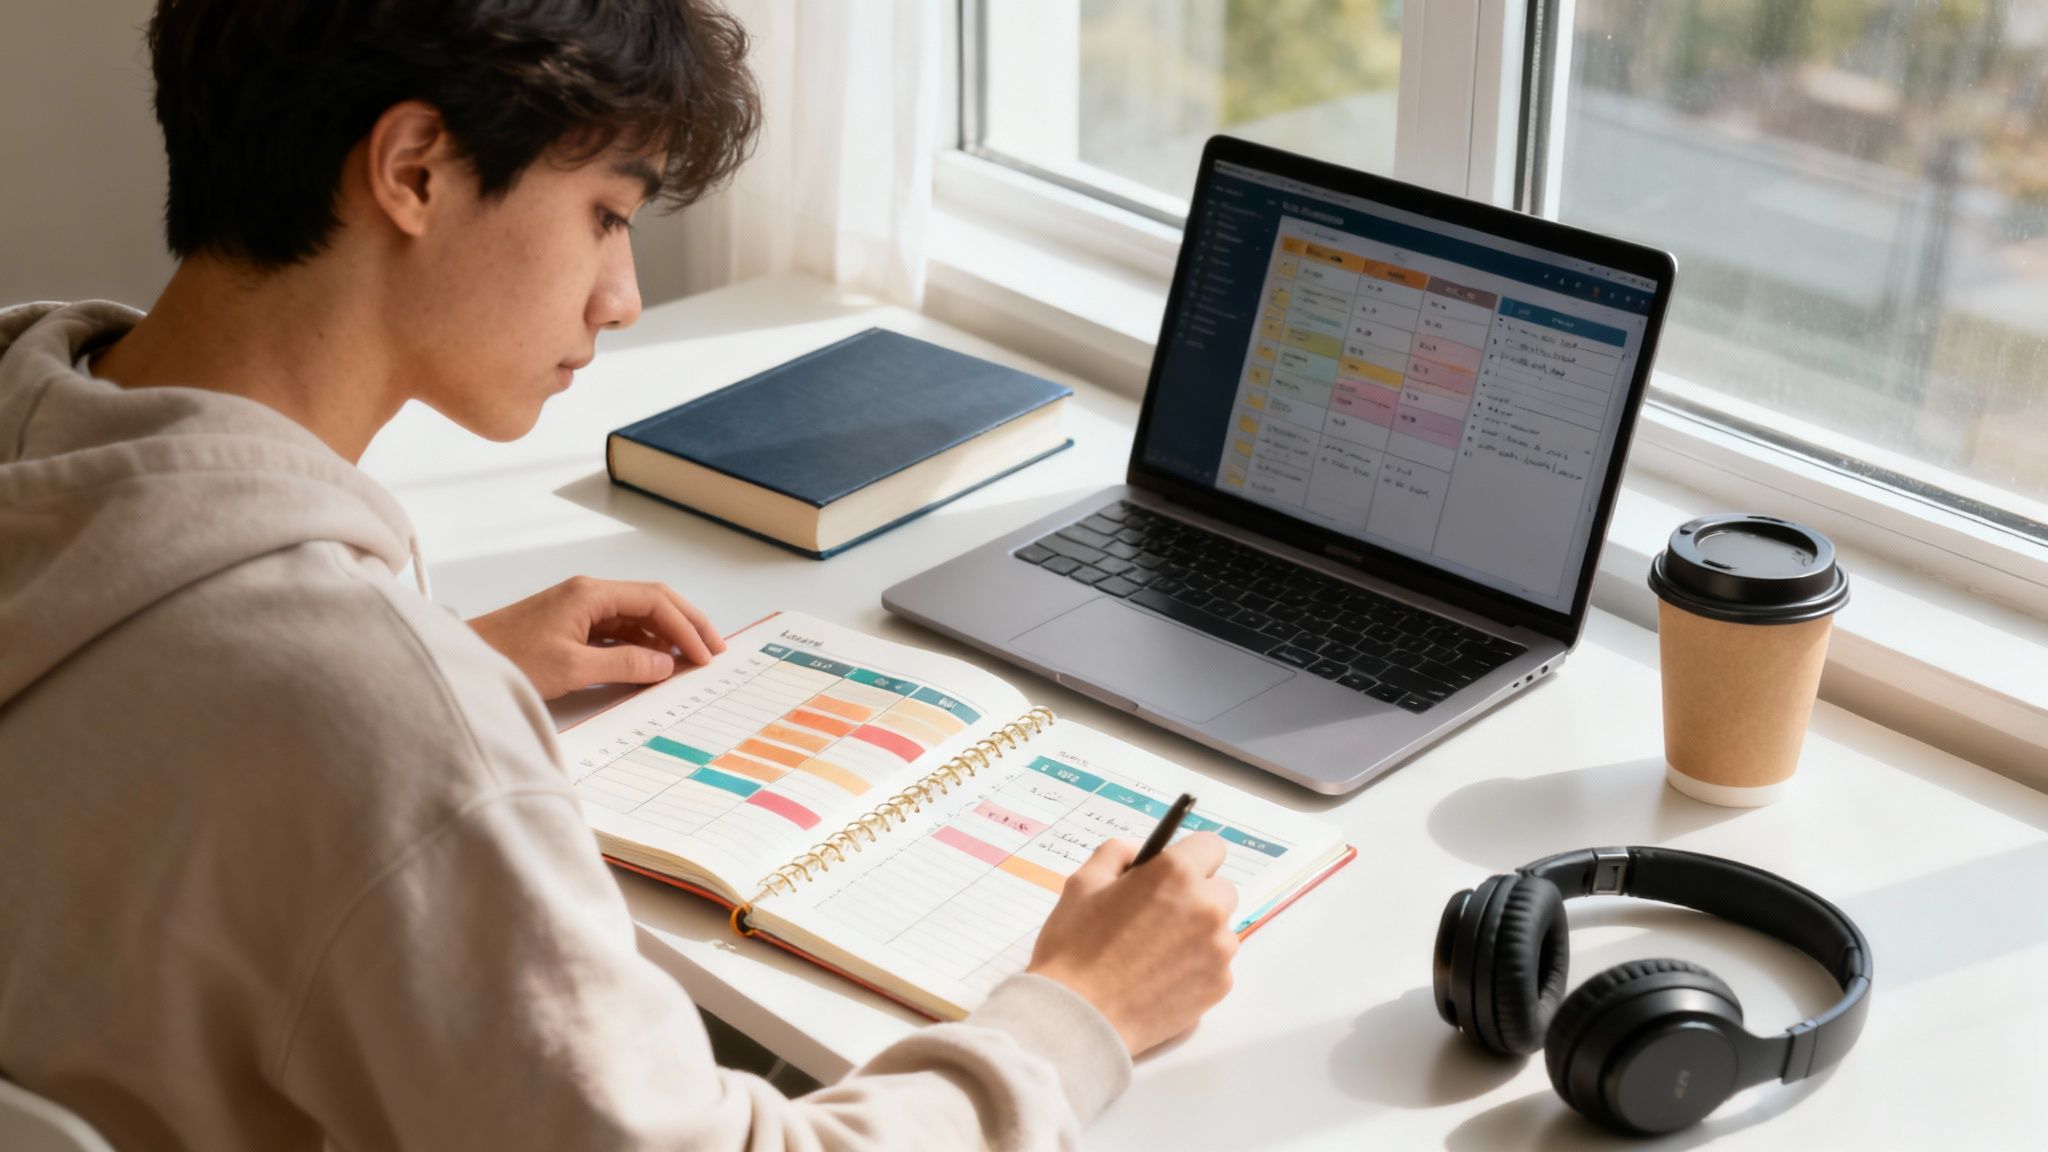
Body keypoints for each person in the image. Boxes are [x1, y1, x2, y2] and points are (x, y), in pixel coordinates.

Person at [0, 2, 1244, 1150]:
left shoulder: (43, 460)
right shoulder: (377, 725)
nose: (626, 298)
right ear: (413, 169)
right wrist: (1075, 1014)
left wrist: (424, 660)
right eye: (606, 212)